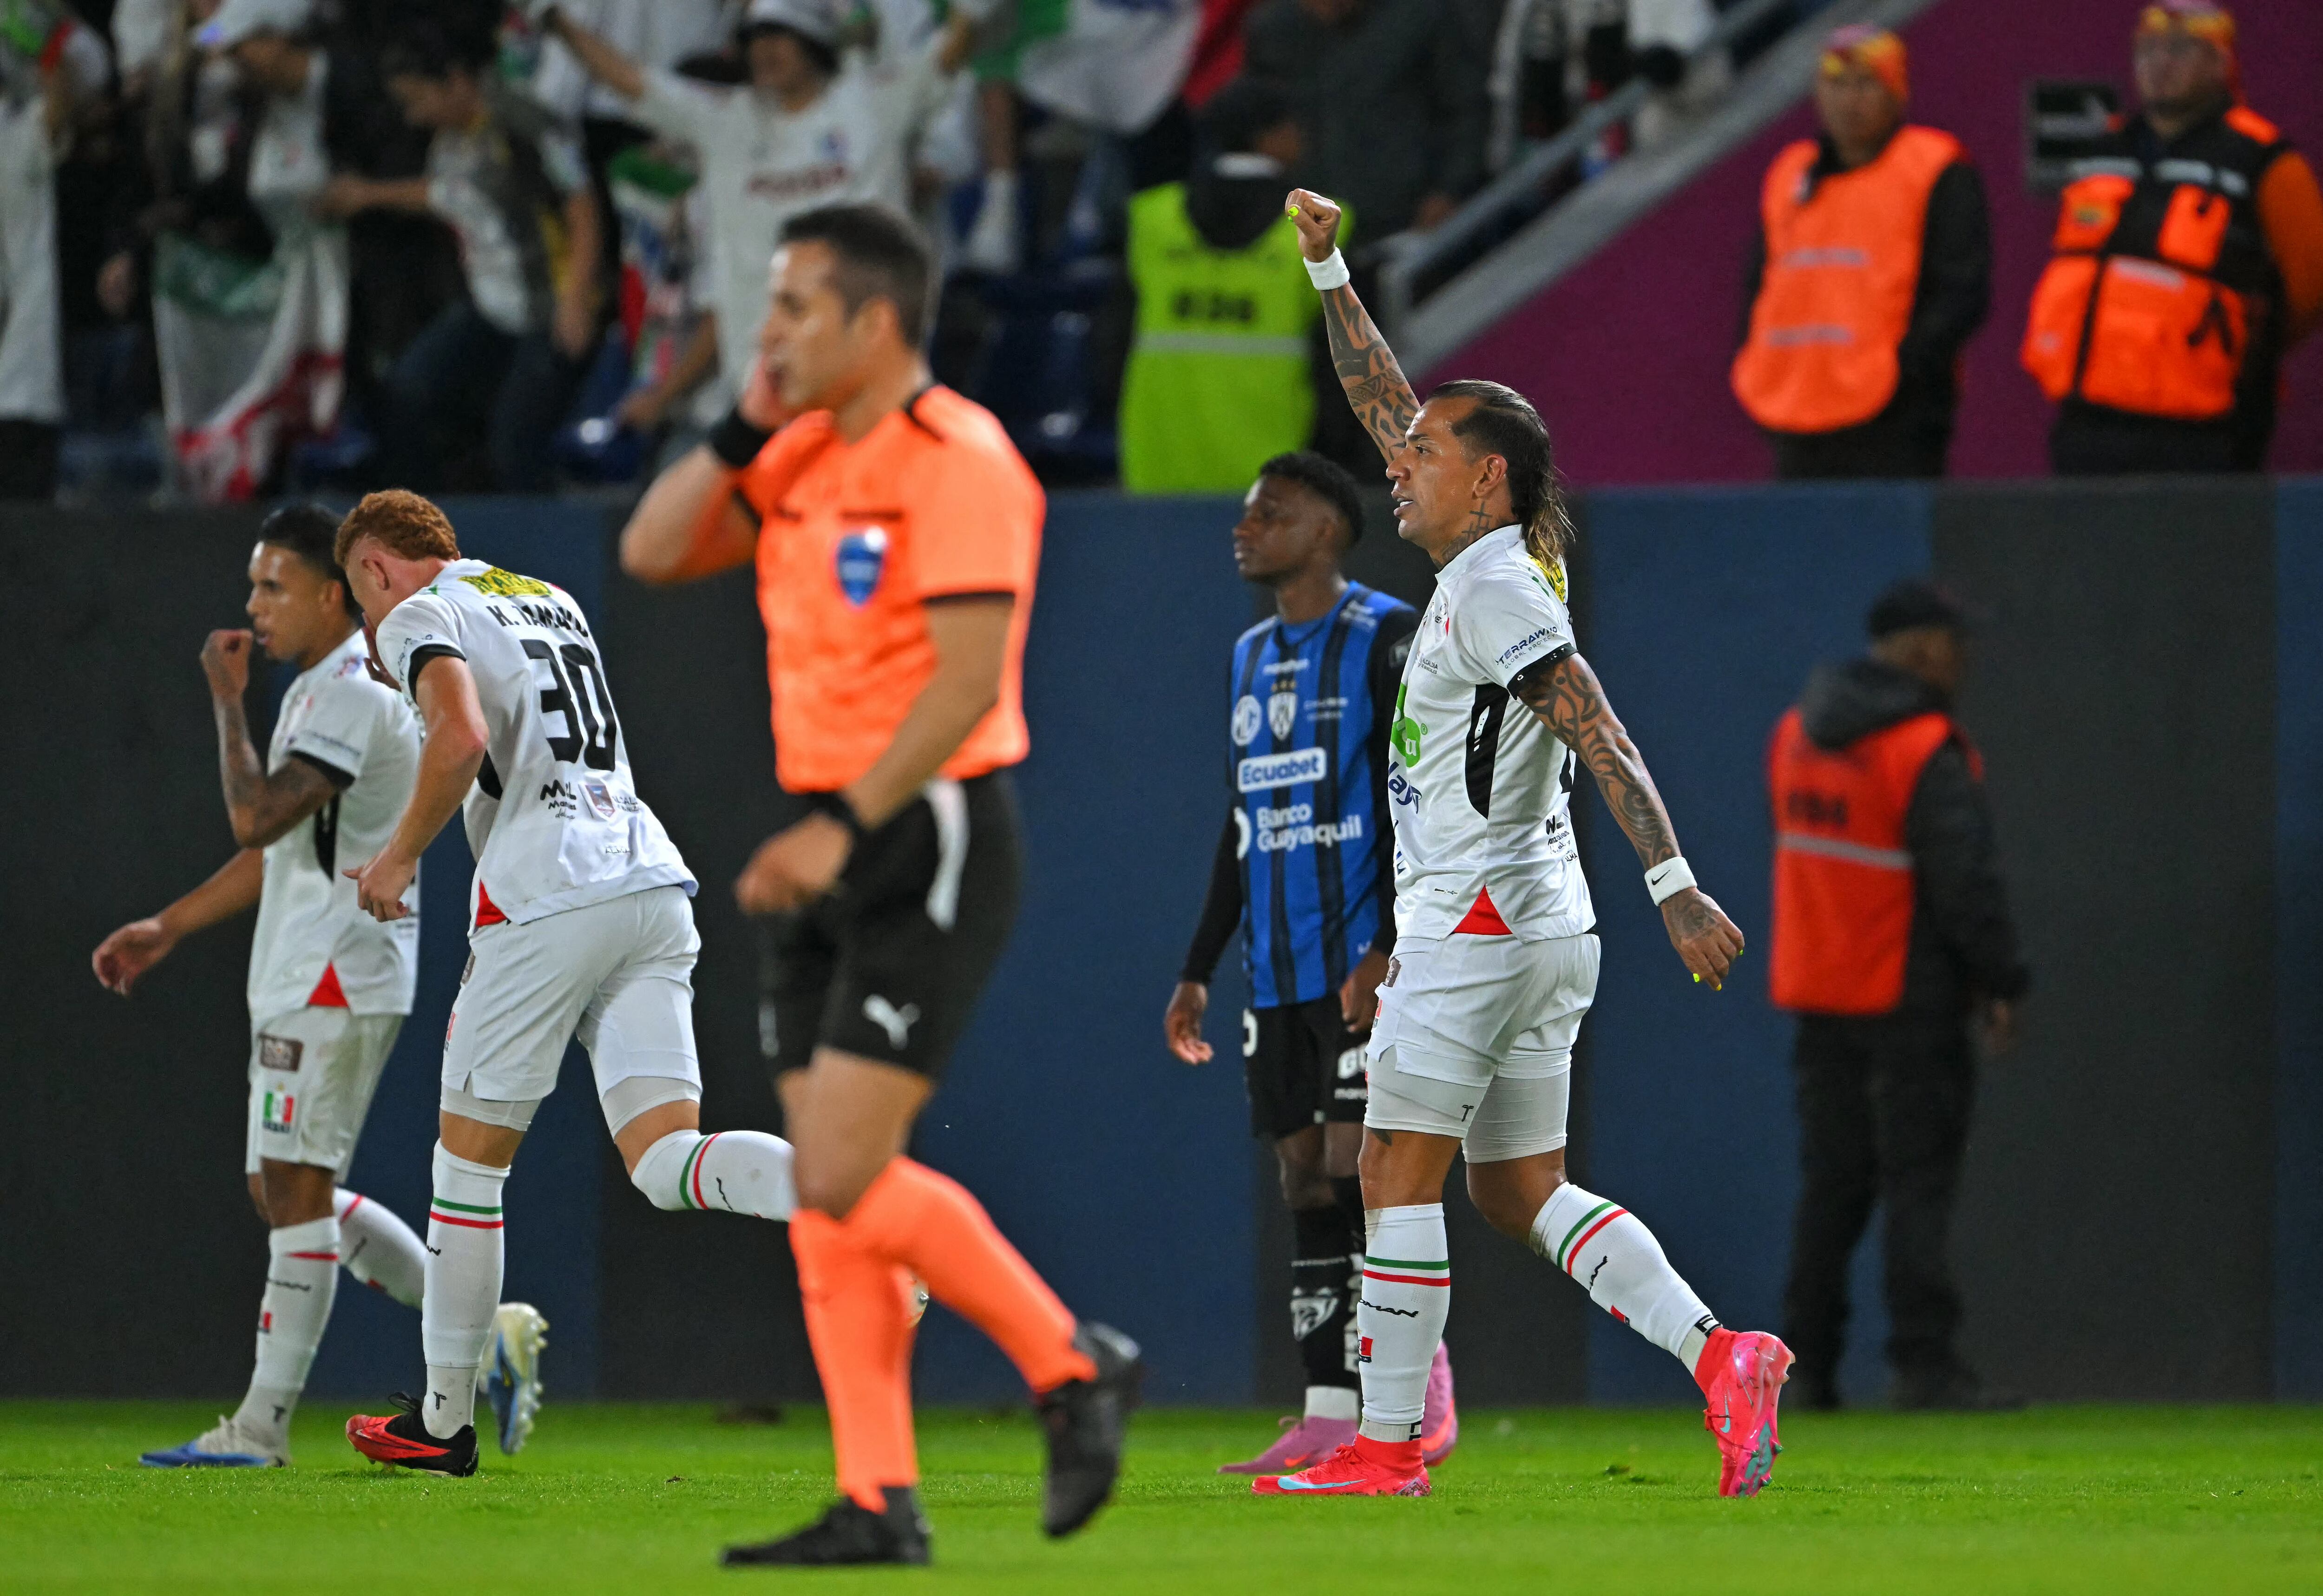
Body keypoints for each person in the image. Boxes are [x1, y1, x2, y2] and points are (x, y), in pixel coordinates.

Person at [617, 202, 1140, 1567]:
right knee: (830, 1192)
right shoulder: (790, 454)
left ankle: (1070, 1361)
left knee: (840, 1168)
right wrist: (735, 425)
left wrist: (844, 827)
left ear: (875, 320)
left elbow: (967, 680)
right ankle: (876, 1497)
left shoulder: (959, 457)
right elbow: (652, 549)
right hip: (829, 827)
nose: (772, 329)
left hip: (922, 826)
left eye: (794, 306)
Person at [1256, 186, 1783, 1502]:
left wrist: (1676, 880)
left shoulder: (1490, 589)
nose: (1399, 461)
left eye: (1428, 452)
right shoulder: (1497, 563)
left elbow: (1596, 722)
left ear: (1486, 477)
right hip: (1542, 922)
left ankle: (1383, 1447)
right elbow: (1385, 402)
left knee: (1390, 1165)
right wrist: (1330, 275)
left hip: (1483, 920)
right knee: (1518, 1187)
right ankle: (1724, 1355)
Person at [334, 488, 800, 1477]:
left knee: (467, 1168)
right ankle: (854, 1207)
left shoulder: (421, 613)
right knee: (667, 1159)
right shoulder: (546, 595)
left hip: (546, 895)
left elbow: (459, 737)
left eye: (357, 600)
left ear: (374, 568)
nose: (369, 635)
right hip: (647, 879)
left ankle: (444, 1418)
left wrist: (400, 856)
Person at [88, 506, 490, 1469]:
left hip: (331, 973)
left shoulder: (348, 689)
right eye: (252, 586)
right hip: (313, 965)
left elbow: (253, 819)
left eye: (273, 586)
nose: (253, 607)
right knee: (282, 1189)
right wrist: (171, 925)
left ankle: (260, 1427)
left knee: (298, 1190)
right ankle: (485, 1320)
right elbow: (292, 851)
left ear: (330, 593)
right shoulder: (326, 688)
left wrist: (228, 701)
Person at [1163, 451, 1453, 1475]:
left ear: (1328, 529)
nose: (1246, 528)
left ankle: (1412, 1383)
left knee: (1353, 1164)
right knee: (1300, 1174)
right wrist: (1201, 962)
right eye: (1245, 512)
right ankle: (1330, 1405)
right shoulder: (1248, 654)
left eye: (1270, 513)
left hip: (1359, 956)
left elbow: (1414, 795)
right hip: (1277, 966)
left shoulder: (1386, 634)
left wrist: (1386, 941)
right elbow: (1244, 819)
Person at [1767, 577, 2029, 1412]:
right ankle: (1926, 1368)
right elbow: (1966, 881)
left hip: (1820, 991)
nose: (1965, 659)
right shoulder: (1923, 746)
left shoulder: (1795, 735)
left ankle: (1803, 1370)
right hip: (1907, 994)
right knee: (1918, 1184)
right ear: (1922, 650)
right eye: (1956, 642)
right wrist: (2002, 980)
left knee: (1832, 1187)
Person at [537, 0, 967, 420]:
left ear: (814, 41)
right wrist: (557, 20)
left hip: (862, 391)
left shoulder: (873, 105)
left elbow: (953, 48)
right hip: (761, 394)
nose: (764, 50)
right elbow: (630, 81)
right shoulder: (726, 121)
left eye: (779, 35)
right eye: (754, 38)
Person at [2024, 1, 2323, 474]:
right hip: (2086, 416)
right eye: (2147, 50)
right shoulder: (2104, 149)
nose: (2159, 64)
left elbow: (2308, 289)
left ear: (2221, 63)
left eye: (2181, 50)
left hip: (2199, 427)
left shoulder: (2263, 159)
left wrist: (2237, 350)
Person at [316, 24, 604, 492]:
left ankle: (539, 547)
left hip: (548, 303)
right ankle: (417, 528)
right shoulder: (449, 137)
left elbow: (580, 203)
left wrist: (577, 298)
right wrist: (368, 195)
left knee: (515, 437)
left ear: (456, 81)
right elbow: (447, 194)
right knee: (409, 389)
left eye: (418, 100)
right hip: (490, 304)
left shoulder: (525, 122)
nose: (413, 116)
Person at [1732, 25, 1990, 479]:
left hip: (1896, 424)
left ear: (1896, 93)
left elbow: (1961, 291)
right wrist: (1752, 362)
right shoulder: (1789, 174)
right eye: (1835, 83)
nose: (1848, 101)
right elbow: (1759, 284)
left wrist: (1904, 372)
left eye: (1865, 83)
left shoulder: (1935, 169)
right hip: (1794, 417)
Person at [1118, 80, 1332, 493]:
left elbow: (1113, 338)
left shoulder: (1152, 218)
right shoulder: (1320, 226)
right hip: (1279, 465)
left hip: (1158, 456)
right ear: (1272, 136)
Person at [1243, 0, 1485, 239]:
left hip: (1412, 220)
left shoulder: (1422, 14)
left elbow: (1467, 107)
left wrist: (1450, 191)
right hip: (1318, 230)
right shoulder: (1274, 31)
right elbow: (1260, 122)